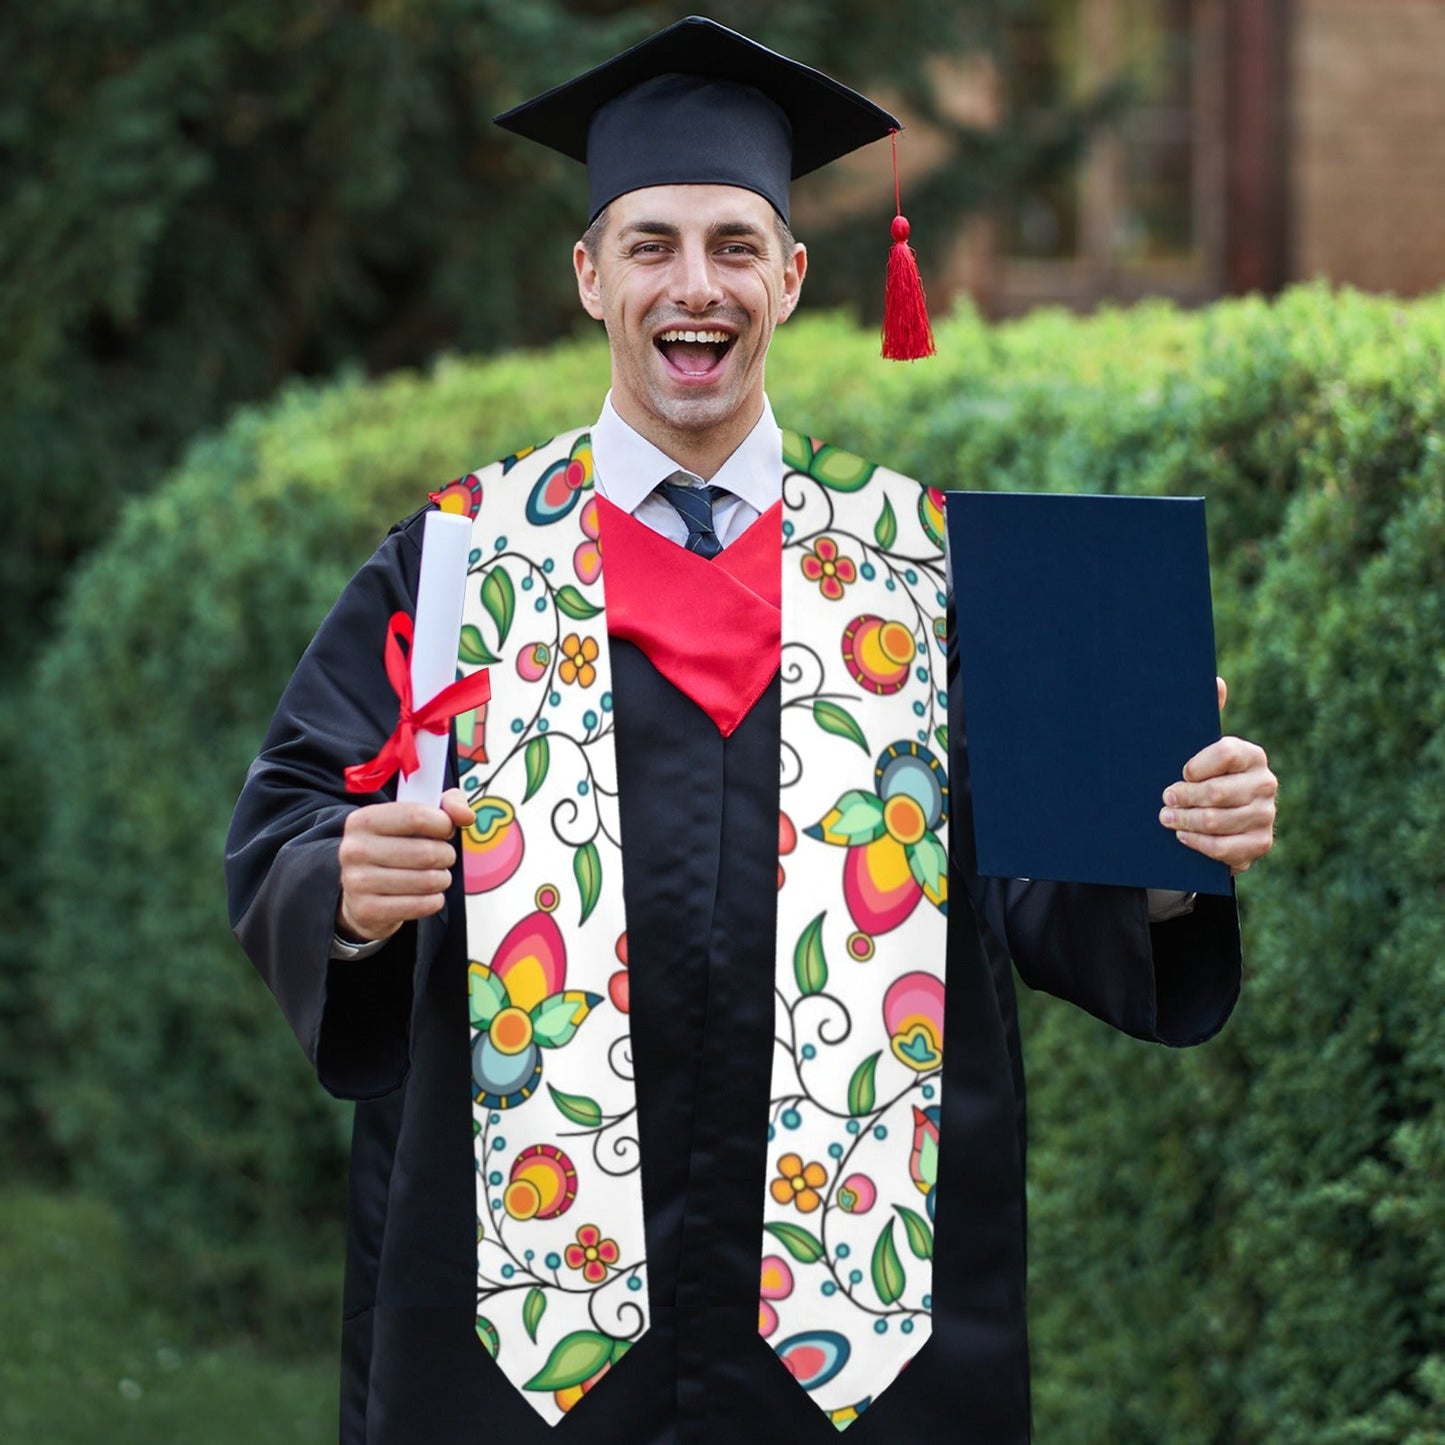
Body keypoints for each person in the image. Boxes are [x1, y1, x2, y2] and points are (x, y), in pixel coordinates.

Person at [225, 17, 1277, 1445]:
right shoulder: (462, 562)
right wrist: (344, 887)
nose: (694, 286)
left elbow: (1039, 884)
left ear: (789, 276)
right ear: (589, 276)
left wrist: (1168, 845)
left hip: (860, 1329)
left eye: (734, 245)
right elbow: (293, 817)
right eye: (650, 245)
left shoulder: (923, 566)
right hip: (526, 1322)